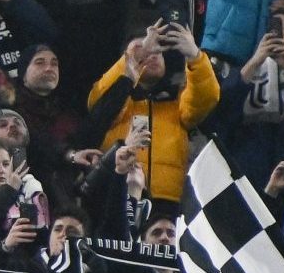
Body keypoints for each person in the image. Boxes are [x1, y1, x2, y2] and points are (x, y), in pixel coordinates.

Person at [87, 21, 220, 204]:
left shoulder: (177, 100)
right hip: (116, 197)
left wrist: (195, 57)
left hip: (169, 202)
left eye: (157, 51)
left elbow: (207, 97)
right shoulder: (114, 103)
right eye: (140, 50)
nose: (151, 54)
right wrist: (135, 60)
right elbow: (98, 99)